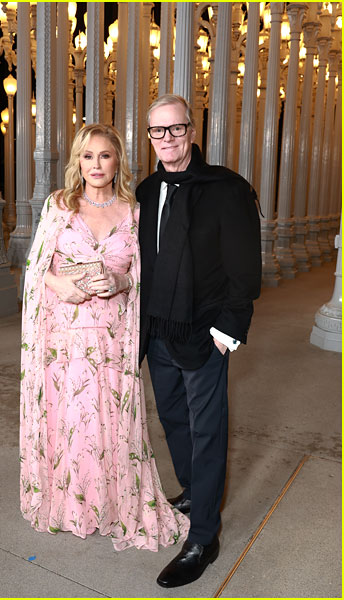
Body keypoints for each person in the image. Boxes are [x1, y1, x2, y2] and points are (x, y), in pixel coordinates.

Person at [20, 123, 189, 551]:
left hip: (113, 333)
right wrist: (63, 287)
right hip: (66, 331)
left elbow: (142, 274)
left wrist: (119, 281)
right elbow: (36, 266)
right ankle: (71, 501)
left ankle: (114, 505)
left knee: (110, 417)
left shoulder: (135, 212)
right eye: (87, 156)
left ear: (118, 161)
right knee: (72, 417)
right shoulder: (60, 205)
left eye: (105, 155)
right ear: (78, 161)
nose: (96, 164)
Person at [136, 94, 262, 586]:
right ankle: (193, 492)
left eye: (175, 128)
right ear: (149, 138)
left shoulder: (226, 188)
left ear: (191, 130)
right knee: (172, 420)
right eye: (157, 131)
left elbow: (244, 266)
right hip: (159, 332)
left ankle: (204, 536)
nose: (167, 139)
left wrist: (228, 330)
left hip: (205, 332)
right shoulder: (146, 191)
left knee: (207, 430)